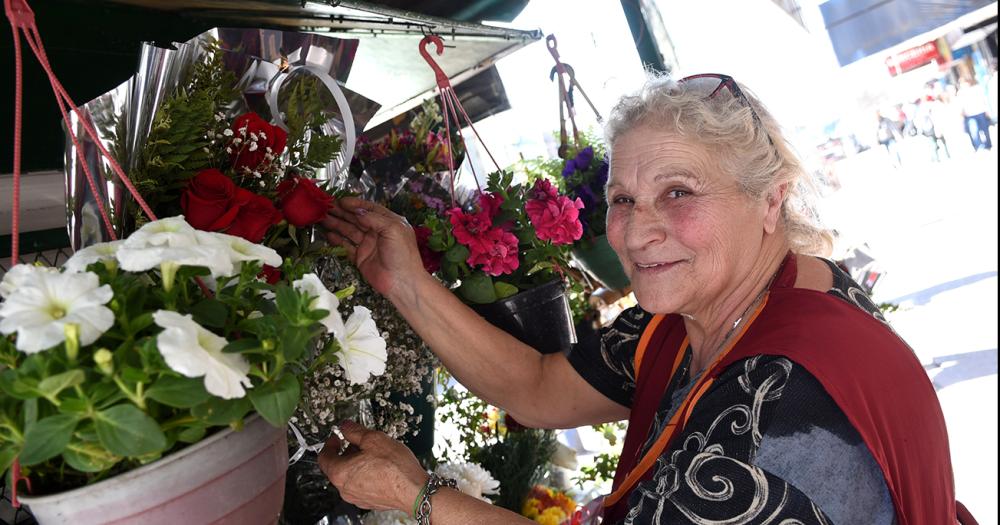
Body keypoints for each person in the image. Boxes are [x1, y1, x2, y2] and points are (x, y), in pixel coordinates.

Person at [318, 74, 969, 525]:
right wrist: (404, 280)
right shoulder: (703, 317)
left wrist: (415, 493)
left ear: (771, 200)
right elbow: (540, 388)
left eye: (678, 192)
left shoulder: (786, 393)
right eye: (623, 198)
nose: (637, 229)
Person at [957, 77, 993, 151]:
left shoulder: (976, 89)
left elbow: (983, 100)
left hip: (980, 112)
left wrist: (987, 111)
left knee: (985, 130)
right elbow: (960, 105)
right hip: (970, 115)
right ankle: (979, 146)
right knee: (974, 131)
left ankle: (988, 145)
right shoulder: (960, 93)